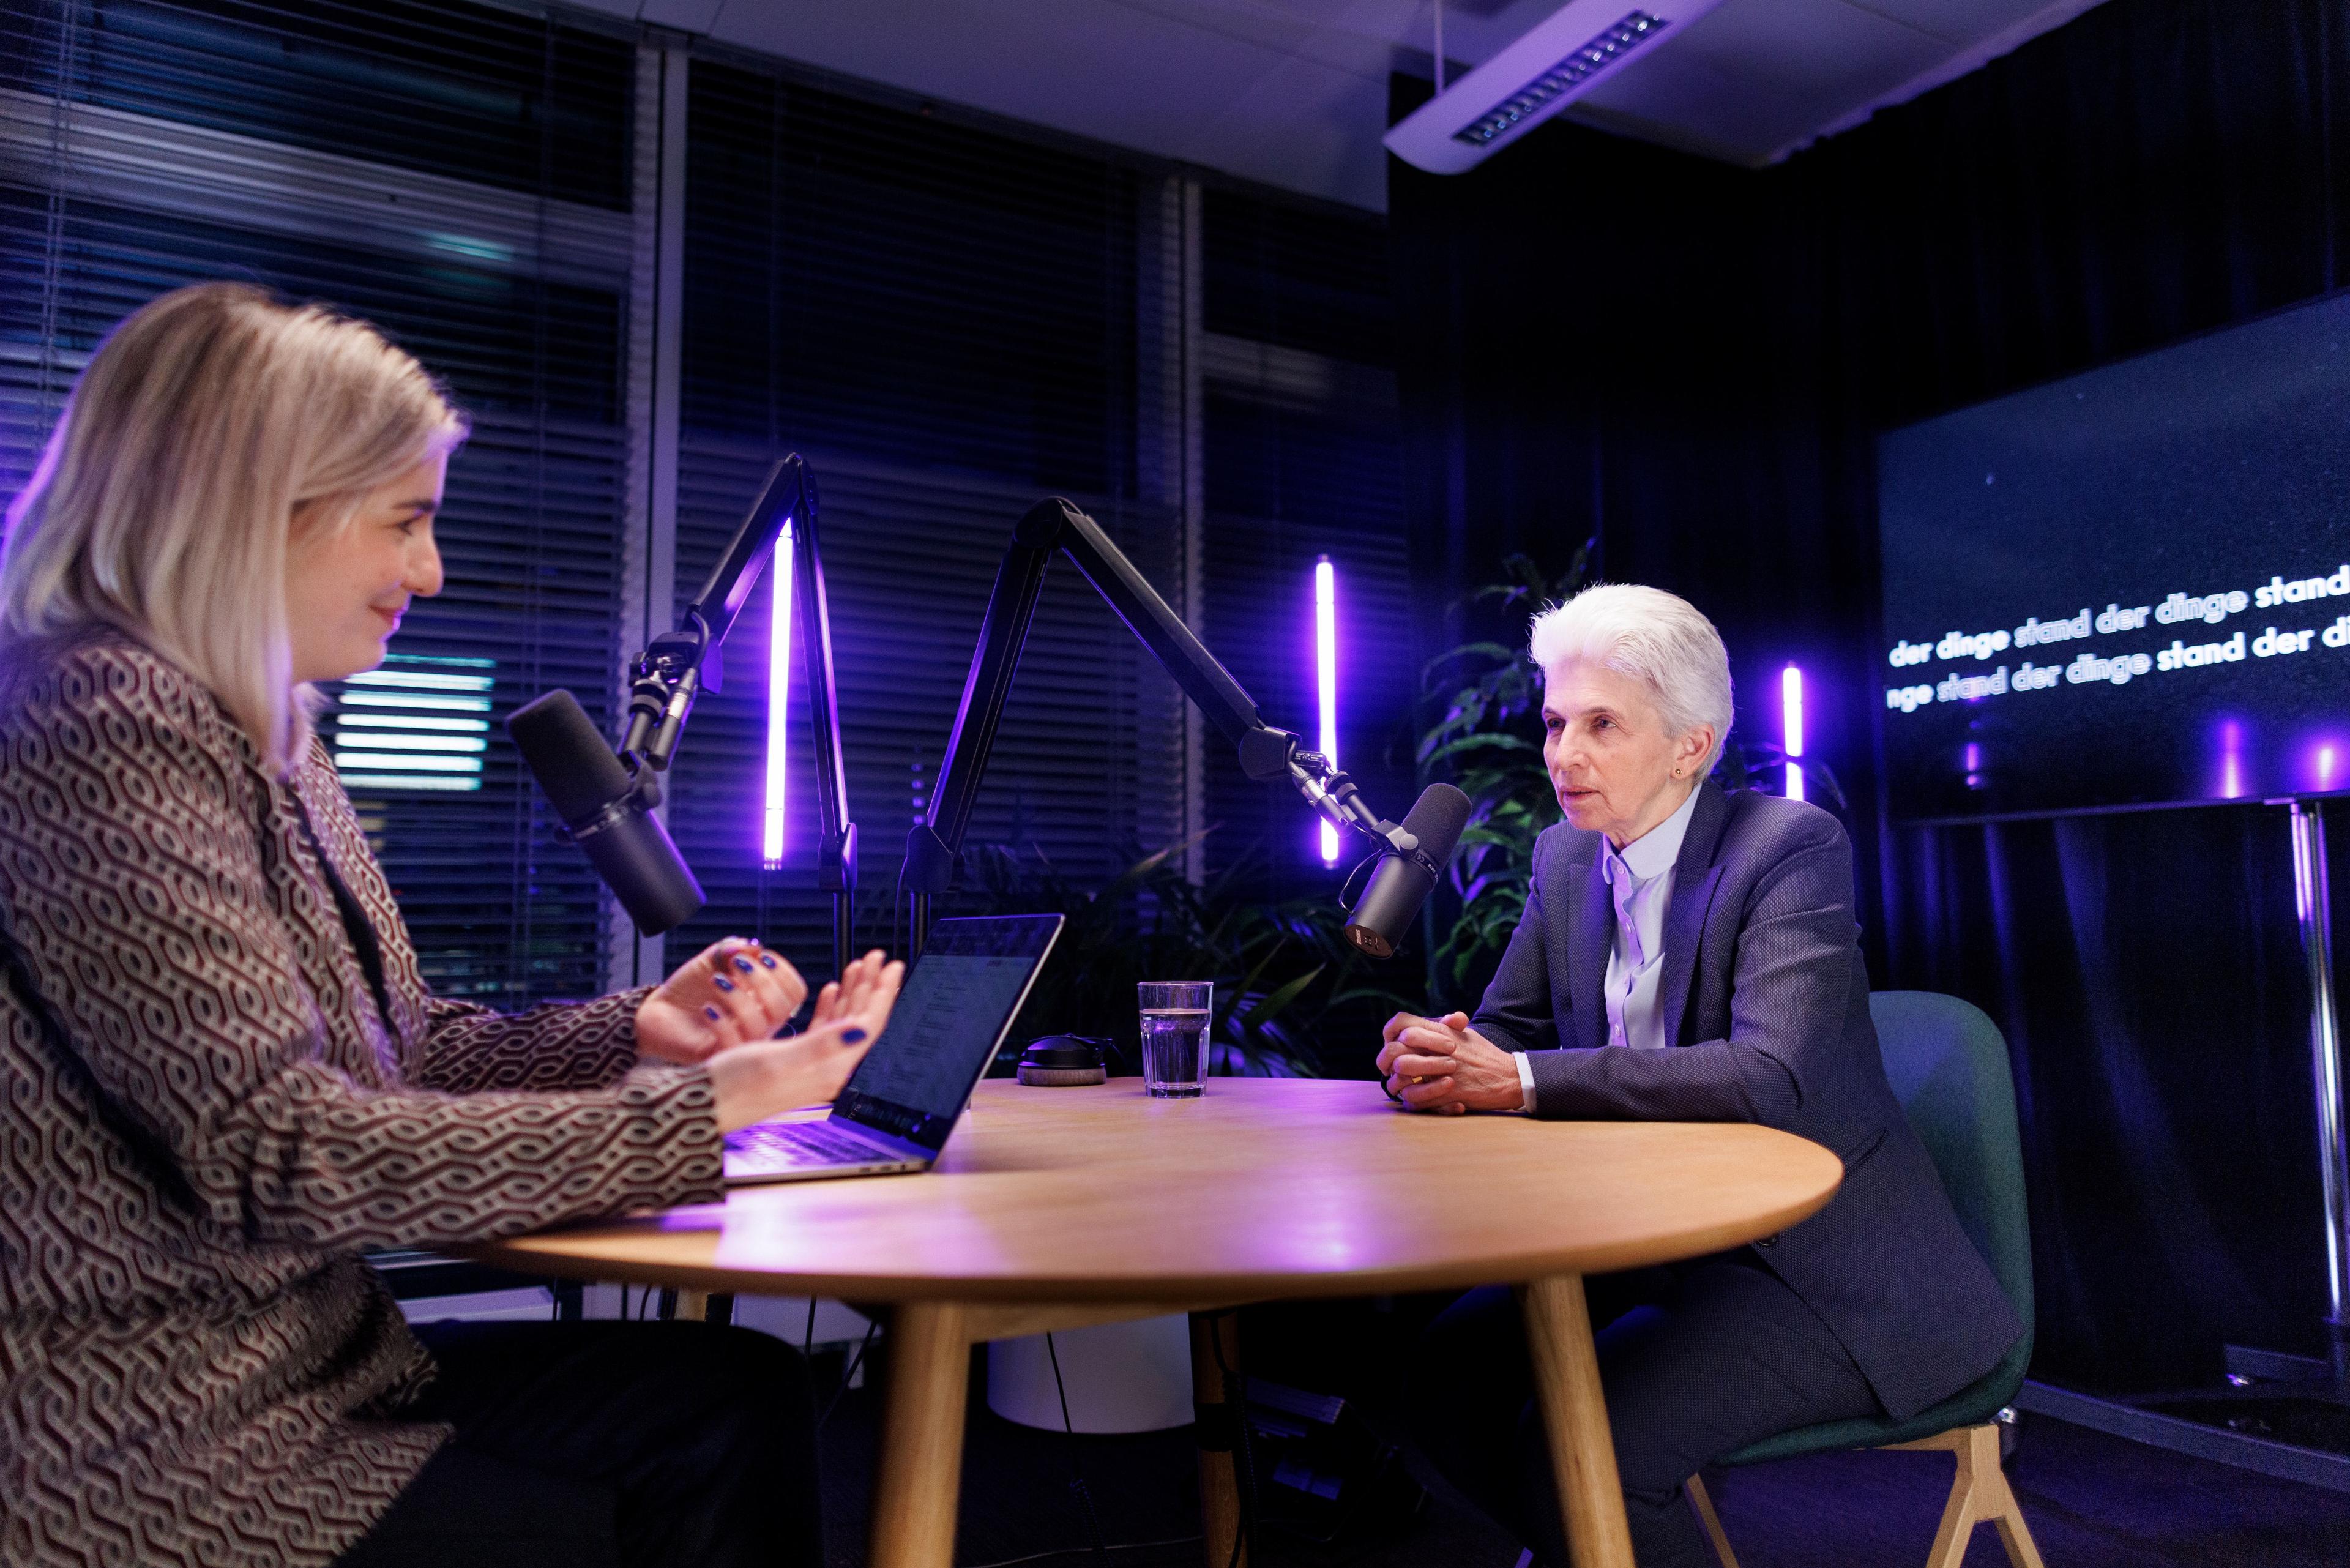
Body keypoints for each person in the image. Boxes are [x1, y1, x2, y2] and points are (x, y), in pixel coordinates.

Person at [0, 283, 905, 1568]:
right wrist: (702, 1115)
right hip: (165, 1454)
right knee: (708, 1434)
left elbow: (396, 1046)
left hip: (314, 1368)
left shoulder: (271, 731)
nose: (430, 570)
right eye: (408, 521)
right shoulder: (101, 723)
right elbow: (280, 1150)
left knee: (738, 1397)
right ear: (259, 504)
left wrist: (630, 1034)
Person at [1381, 584, 2023, 1568]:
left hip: (1825, 1273)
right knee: (1442, 1380)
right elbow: (1506, 1036)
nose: (1564, 754)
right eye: (1556, 722)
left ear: (1691, 744)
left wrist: (1512, 1077)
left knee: (1577, 1455)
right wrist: (1436, 1056)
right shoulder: (1563, 858)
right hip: (1659, 1245)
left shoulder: (1790, 847)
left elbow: (1766, 1074)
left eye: (1602, 724)